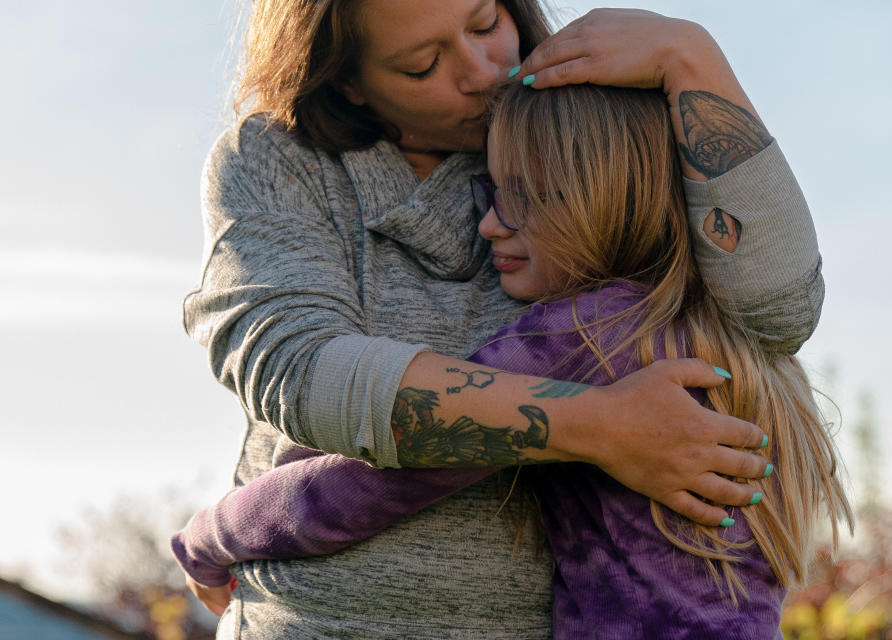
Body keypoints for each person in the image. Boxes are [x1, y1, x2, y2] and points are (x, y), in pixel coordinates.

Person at [183, 1, 826, 636]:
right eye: (423, 63)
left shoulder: (595, 136)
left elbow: (781, 307)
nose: (482, 70)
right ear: (347, 80)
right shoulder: (281, 162)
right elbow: (300, 370)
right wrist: (600, 425)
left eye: (487, 23)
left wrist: (692, 57)